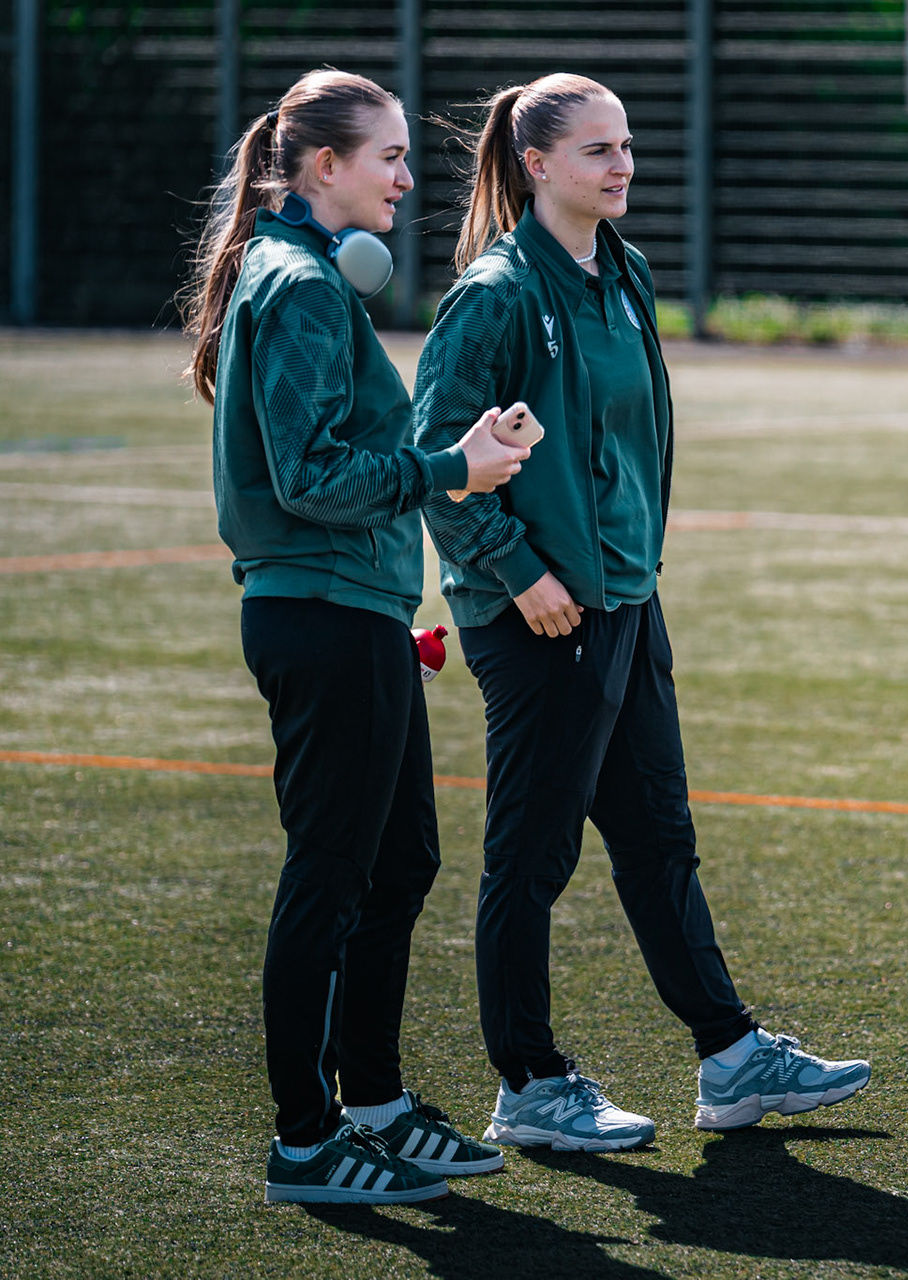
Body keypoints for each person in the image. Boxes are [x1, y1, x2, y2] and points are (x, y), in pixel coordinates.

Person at [411, 74, 871, 1149]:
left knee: (659, 834)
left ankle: (731, 1056)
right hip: (538, 615)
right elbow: (438, 463)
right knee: (531, 855)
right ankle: (527, 1081)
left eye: (627, 146)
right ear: (536, 165)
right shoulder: (494, 294)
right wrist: (519, 572)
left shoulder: (625, 272)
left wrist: (628, 571)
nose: (622, 166)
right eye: (597, 151)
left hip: (623, 599)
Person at [187, 69, 529, 1203]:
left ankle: (374, 1102)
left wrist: (453, 461)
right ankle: (305, 1138)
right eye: (386, 155)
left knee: (402, 860)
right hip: (319, 616)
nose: (405, 176)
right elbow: (311, 475)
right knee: (330, 875)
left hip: (359, 614)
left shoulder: (303, 278)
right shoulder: (295, 284)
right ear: (320, 166)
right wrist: (453, 469)